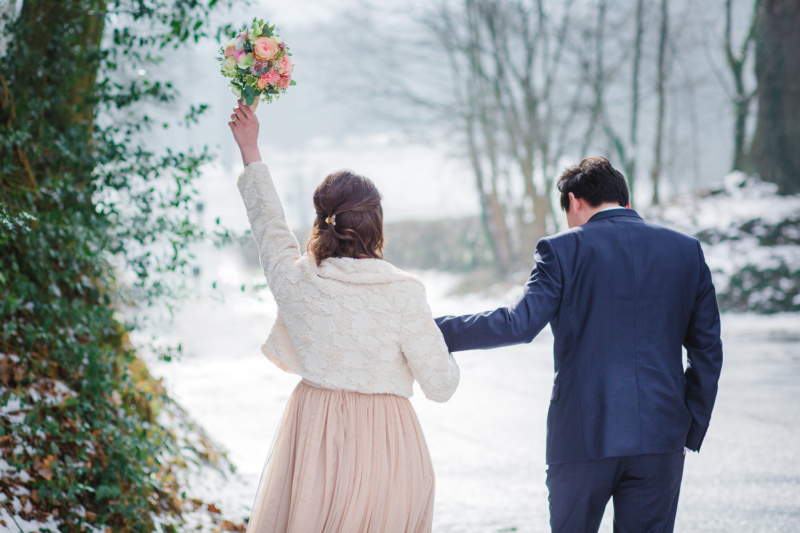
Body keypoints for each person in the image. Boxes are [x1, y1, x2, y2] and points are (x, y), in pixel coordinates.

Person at [435, 157, 723, 533]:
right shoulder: (686, 252)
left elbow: (518, 324)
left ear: (574, 201)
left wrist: (436, 331)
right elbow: (707, 350)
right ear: (625, 200)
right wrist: (691, 426)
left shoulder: (562, 250)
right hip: (661, 437)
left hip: (583, 435)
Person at [228, 101, 459, 533]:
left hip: (316, 438)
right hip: (389, 448)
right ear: (376, 225)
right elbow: (441, 386)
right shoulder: (404, 293)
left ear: (322, 222)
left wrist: (250, 149)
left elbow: (269, 227)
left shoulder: (297, 282)